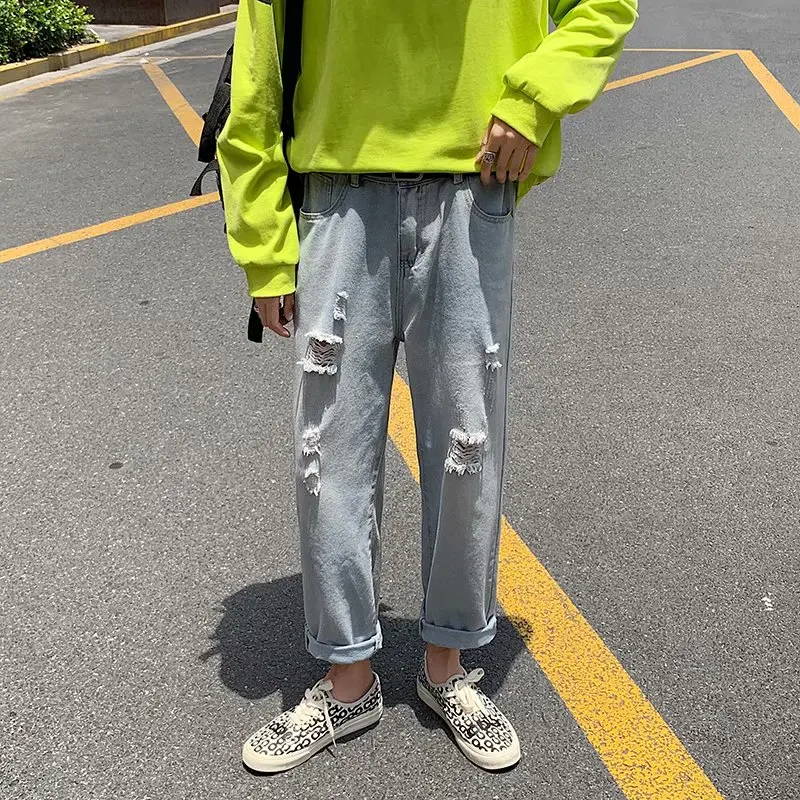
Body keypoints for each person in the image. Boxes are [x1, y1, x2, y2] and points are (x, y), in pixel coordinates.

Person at [217, 0, 637, 774]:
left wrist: (533, 101)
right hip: (336, 193)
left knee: (467, 446)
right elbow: (258, 67)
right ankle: (349, 678)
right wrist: (264, 247)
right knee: (328, 455)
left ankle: (448, 664)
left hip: (470, 189)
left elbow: (604, 6)